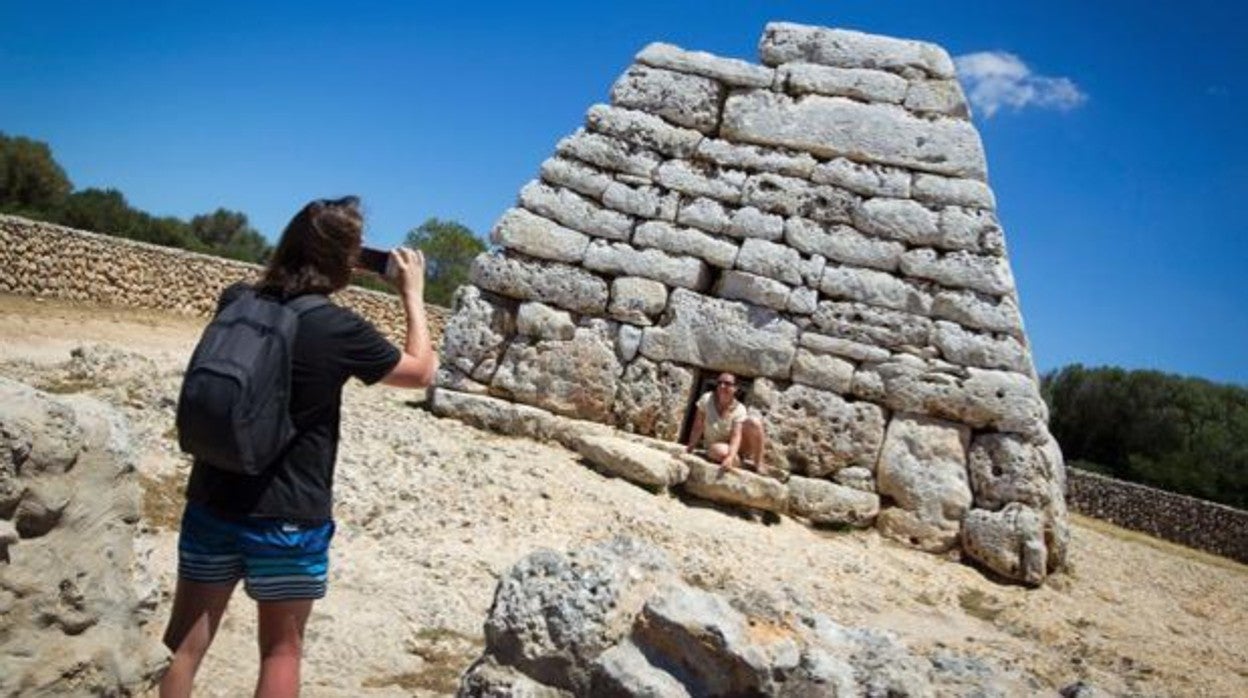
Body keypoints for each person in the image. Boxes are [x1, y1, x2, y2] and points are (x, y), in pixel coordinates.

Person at [158, 196, 438, 698]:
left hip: (213, 497)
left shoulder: (236, 300)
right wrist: (412, 294)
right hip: (290, 515)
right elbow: (420, 371)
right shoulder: (337, 328)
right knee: (281, 652)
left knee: (182, 645)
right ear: (347, 260)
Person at [684, 372, 778, 478]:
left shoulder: (739, 409)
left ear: (735, 388)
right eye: (719, 383)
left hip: (736, 447)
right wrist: (690, 447)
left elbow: (736, 436)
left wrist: (730, 456)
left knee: (754, 423)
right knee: (718, 450)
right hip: (715, 446)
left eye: (727, 383)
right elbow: (698, 425)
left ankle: (758, 463)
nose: (722, 386)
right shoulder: (707, 399)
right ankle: (739, 463)